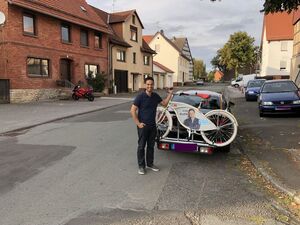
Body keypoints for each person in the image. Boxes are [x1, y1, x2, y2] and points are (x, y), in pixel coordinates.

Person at [130, 77, 173, 175]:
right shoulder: (140, 97)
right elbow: (132, 110)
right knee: (141, 146)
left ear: (153, 85)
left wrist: (170, 94)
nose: (150, 86)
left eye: (151, 84)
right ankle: (141, 166)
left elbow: (164, 104)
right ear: (145, 85)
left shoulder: (155, 96)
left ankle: (150, 164)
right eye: (148, 84)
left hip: (153, 126)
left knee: (151, 146)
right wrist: (138, 123)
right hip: (143, 126)